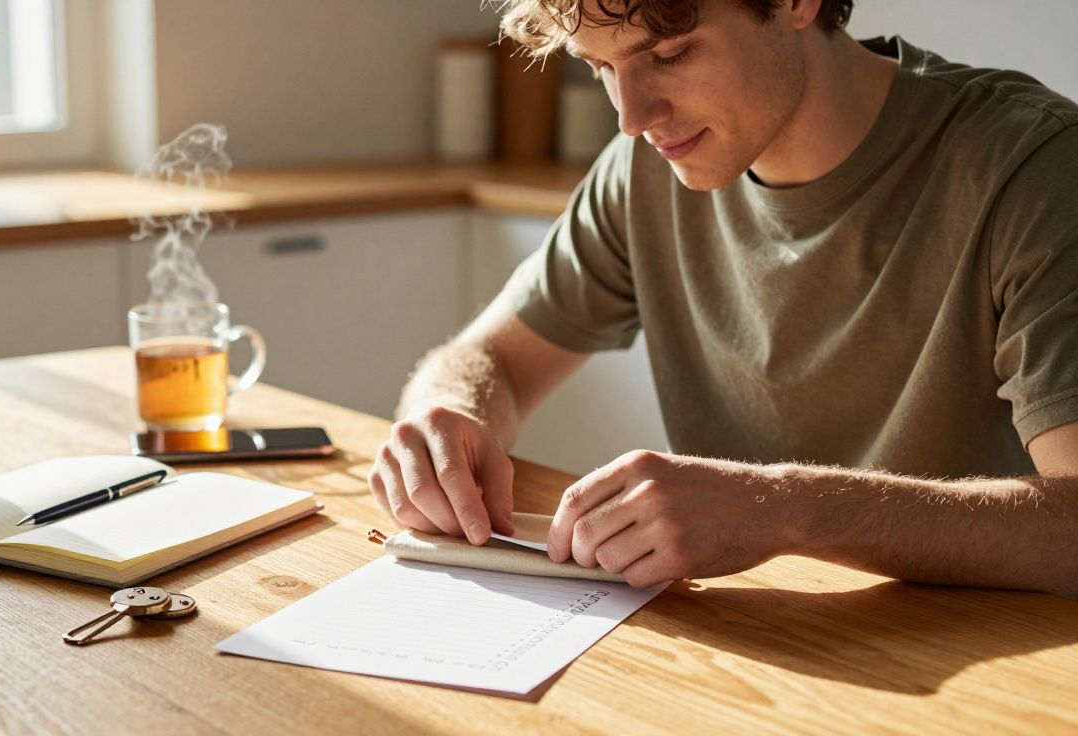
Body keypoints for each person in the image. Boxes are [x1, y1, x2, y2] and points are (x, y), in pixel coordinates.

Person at [368, 0, 1078, 597]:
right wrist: (448, 416)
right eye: (602, 69)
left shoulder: (1035, 170)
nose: (632, 116)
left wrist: (785, 509)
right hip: (753, 650)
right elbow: (493, 359)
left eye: (670, 54)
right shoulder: (642, 170)